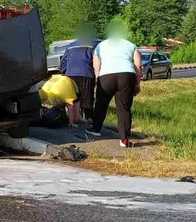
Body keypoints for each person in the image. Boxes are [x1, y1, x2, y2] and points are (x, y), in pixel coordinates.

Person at [86, 18, 142, 148]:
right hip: (127, 75)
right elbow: (138, 65)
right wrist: (137, 83)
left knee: (101, 103)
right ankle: (124, 138)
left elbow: (96, 65)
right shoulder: (131, 45)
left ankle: (96, 129)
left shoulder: (100, 46)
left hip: (106, 75)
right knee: (124, 108)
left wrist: (98, 80)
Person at [60, 29, 97, 122]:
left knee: (72, 96)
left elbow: (64, 61)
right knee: (87, 96)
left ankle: (71, 116)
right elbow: (95, 61)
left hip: (70, 74)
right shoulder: (93, 46)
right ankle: (88, 117)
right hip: (86, 73)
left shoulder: (70, 46)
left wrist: (63, 72)